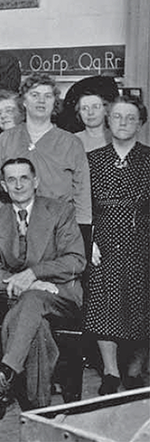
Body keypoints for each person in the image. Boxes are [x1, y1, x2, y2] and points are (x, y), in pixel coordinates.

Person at [0, 157, 86, 415]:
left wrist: (34, 274)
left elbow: (76, 260)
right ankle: (39, 410)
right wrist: (29, 285)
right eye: (11, 180)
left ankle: (5, 373)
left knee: (34, 301)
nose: (18, 185)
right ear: (3, 186)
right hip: (19, 298)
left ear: (35, 181)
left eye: (24, 178)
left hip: (61, 295)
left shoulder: (60, 211)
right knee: (37, 323)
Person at [86, 96, 150, 393]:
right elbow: (83, 206)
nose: (123, 123)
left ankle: (135, 371)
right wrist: (90, 241)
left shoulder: (148, 158)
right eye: (117, 117)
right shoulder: (92, 159)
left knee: (141, 304)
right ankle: (111, 373)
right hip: (105, 240)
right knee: (104, 303)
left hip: (142, 238)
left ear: (140, 123)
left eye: (130, 118)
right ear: (108, 121)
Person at [0, 73, 92, 229]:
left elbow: (82, 194)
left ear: (54, 102)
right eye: (35, 95)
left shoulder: (71, 143)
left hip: (59, 227)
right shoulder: (6, 140)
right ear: (24, 101)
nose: (41, 101)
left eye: (48, 96)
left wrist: (82, 233)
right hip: (14, 227)